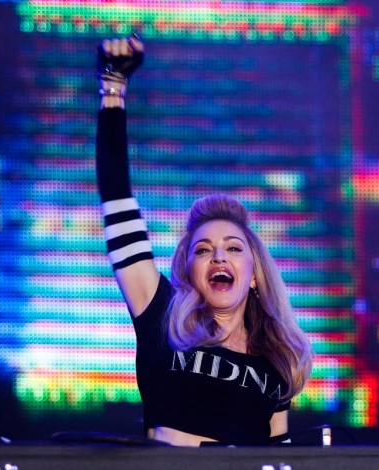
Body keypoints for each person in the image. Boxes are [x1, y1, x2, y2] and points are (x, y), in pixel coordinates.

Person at [95, 36, 312, 447]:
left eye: (233, 247)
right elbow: (116, 198)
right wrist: (113, 87)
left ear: (253, 274)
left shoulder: (277, 360)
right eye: (203, 250)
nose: (218, 256)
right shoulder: (160, 316)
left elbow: (279, 458)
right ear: (189, 271)